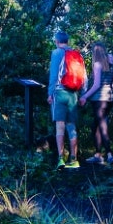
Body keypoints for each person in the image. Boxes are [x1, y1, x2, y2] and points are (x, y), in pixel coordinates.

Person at [47, 30, 81, 169]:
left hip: (60, 93)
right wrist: (83, 95)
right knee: (71, 126)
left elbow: (54, 76)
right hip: (73, 94)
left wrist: (50, 93)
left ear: (56, 41)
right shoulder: (76, 55)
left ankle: (60, 159)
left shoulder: (56, 53)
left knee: (60, 127)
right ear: (67, 41)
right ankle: (74, 160)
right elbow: (83, 77)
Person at [79, 42, 113, 165]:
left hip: (99, 99)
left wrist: (84, 96)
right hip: (109, 98)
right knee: (96, 126)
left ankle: (109, 153)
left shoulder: (97, 64)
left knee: (102, 126)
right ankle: (98, 154)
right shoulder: (110, 62)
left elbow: (96, 85)